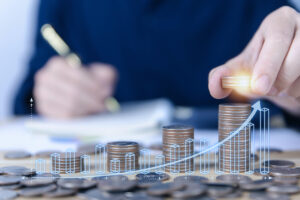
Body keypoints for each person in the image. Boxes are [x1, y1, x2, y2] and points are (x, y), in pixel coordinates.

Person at [14, 0, 300, 127]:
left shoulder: (254, 4)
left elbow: (289, 61)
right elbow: (22, 106)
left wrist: (293, 91)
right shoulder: (66, 4)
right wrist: (42, 98)